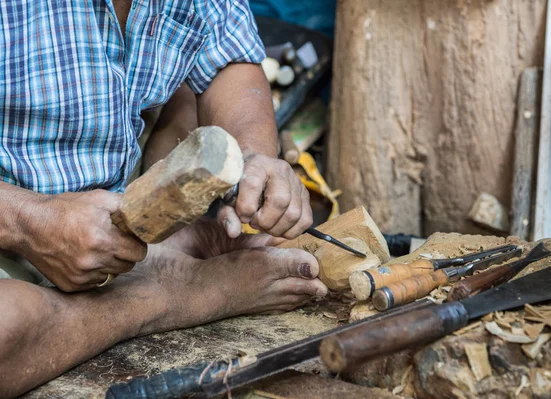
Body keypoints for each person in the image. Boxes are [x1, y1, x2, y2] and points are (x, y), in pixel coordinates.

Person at [0, 1, 328, 397]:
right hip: (11, 217)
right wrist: (27, 219)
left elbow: (228, 60)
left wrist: (255, 157)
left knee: (185, 98)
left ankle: (157, 243)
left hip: (112, 214)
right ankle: (164, 294)